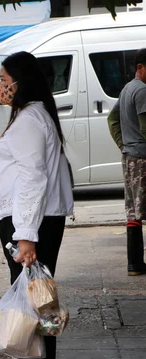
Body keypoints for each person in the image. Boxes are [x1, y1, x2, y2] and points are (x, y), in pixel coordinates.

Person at [0, 51, 73, 359]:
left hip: (31, 223)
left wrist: (25, 236)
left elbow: (32, 179)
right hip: (36, 220)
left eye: (5, 81)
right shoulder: (33, 114)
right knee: (36, 294)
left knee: (34, 297)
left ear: (21, 83)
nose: (0, 88)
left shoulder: (29, 121)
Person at [108, 48, 146, 276]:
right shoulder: (141, 90)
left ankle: (134, 263)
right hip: (143, 157)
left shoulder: (126, 89)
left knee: (134, 211)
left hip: (130, 157)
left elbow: (112, 119)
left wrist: (123, 145)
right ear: (140, 68)